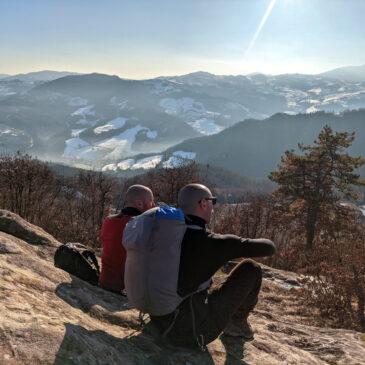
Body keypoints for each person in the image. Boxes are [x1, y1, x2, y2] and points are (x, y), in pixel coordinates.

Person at [150, 183, 276, 348]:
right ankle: (236, 324)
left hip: (158, 318)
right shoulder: (212, 242)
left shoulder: (162, 232)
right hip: (193, 332)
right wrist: (232, 242)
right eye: (213, 201)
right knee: (251, 268)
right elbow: (269, 247)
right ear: (203, 203)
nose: (213, 207)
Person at [99, 184, 155, 294]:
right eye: (151, 201)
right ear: (139, 203)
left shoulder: (108, 221)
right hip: (128, 289)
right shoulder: (143, 226)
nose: (153, 205)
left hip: (105, 281)